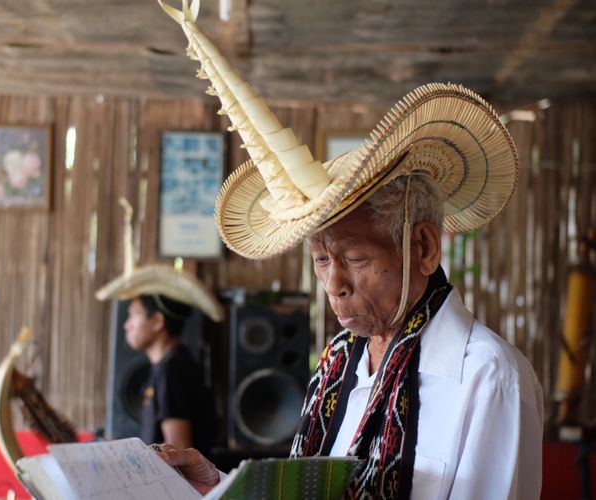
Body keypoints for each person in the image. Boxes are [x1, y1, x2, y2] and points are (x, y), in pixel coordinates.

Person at [153, 1, 544, 498]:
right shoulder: (340, 365)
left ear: (422, 247)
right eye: (320, 260)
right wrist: (218, 485)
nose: (333, 284)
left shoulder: (487, 377)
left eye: (355, 259)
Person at [96, 197, 224, 455]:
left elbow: (179, 455)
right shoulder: (169, 365)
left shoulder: (173, 370)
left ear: (157, 321)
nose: (127, 326)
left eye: (133, 315)